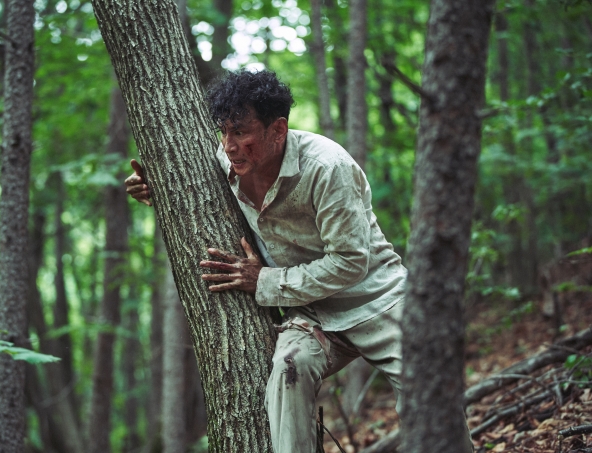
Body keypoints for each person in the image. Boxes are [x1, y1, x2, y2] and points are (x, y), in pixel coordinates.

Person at [125, 69, 472, 453]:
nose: (229, 145)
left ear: (278, 130)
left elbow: (350, 262)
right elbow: (196, 194)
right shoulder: (226, 163)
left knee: (432, 395)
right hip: (313, 314)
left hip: (379, 299)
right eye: (223, 131)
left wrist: (265, 282)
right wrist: (159, 192)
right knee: (289, 372)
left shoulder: (326, 167)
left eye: (241, 131)